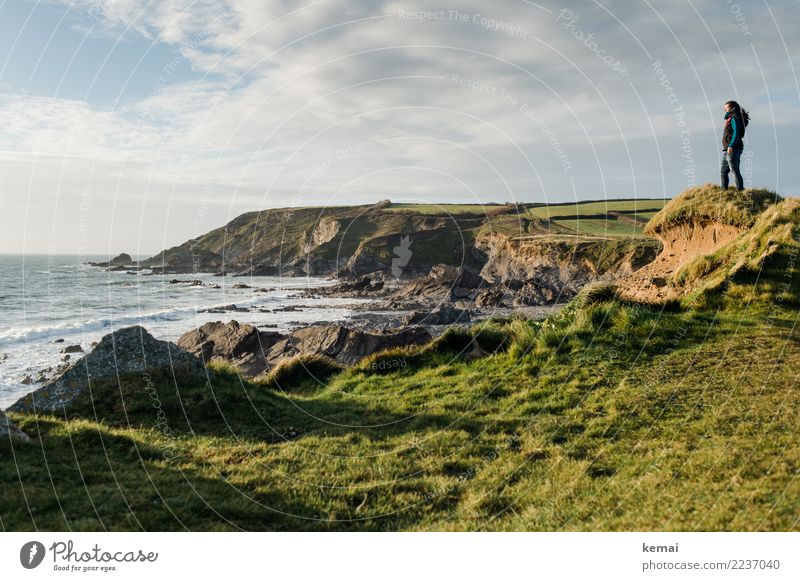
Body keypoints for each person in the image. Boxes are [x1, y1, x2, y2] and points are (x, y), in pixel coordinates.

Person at [720, 100, 749, 190]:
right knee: (723, 172)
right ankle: (724, 191)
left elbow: (737, 132)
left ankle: (740, 190)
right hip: (727, 149)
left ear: (733, 108)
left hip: (733, 148)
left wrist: (731, 145)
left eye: (727, 108)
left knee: (734, 169)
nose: (725, 110)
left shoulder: (734, 118)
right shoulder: (730, 118)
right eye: (724, 109)